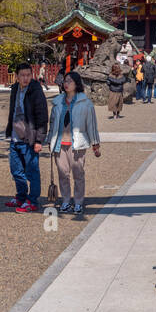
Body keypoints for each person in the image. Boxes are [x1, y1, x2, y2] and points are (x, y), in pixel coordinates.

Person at [46, 71, 101, 216]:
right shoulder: (57, 102)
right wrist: (49, 139)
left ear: (77, 84)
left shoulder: (86, 103)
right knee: (63, 173)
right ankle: (65, 200)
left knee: (78, 174)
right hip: (60, 143)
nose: (66, 83)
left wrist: (95, 143)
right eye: (65, 81)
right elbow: (52, 123)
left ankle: (78, 201)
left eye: (69, 81)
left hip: (77, 144)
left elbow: (91, 125)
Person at [7, 64, 48, 213]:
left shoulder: (36, 91)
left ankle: (32, 200)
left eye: (28, 75)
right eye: (22, 75)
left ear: (32, 75)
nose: (25, 78)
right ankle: (21, 196)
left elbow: (42, 116)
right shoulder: (15, 89)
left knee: (32, 171)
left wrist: (39, 140)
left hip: (30, 137)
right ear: (17, 76)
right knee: (16, 169)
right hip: (15, 136)